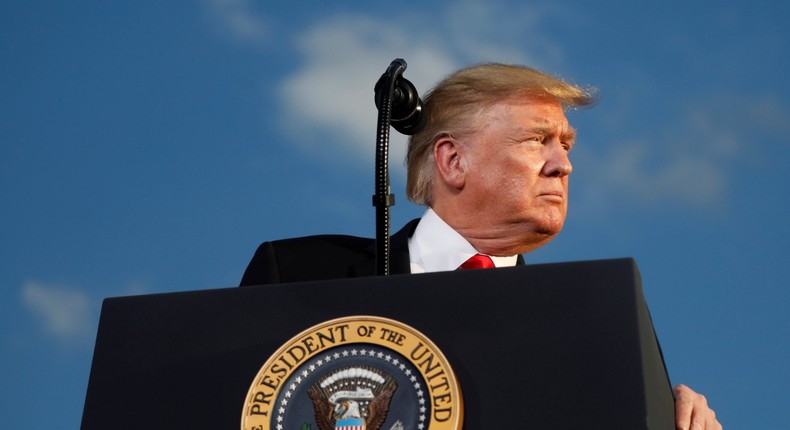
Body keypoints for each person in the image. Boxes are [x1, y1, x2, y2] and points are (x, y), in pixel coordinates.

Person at [240, 63, 721, 429]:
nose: (562, 165)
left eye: (566, 145)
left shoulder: (592, 328)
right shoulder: (299, 273)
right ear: (452, 160)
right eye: (537, 140)